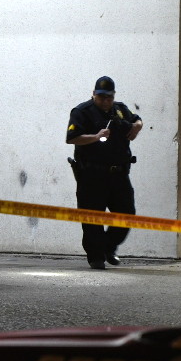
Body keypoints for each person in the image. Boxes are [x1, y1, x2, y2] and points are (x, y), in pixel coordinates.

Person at [66, 75, 143, 269]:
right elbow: (72, 138)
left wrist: (136, 127)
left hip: (118, 174)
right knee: (92, 217)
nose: (105, 101)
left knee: (127, 214)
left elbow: (137, 120)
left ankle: (108, 247)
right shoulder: (82, 112)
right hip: (92, 174)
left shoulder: (120, 109)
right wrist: (96, 136)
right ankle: (96, 256)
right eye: (101, 97)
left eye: (109, 97)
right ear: (94, 95)